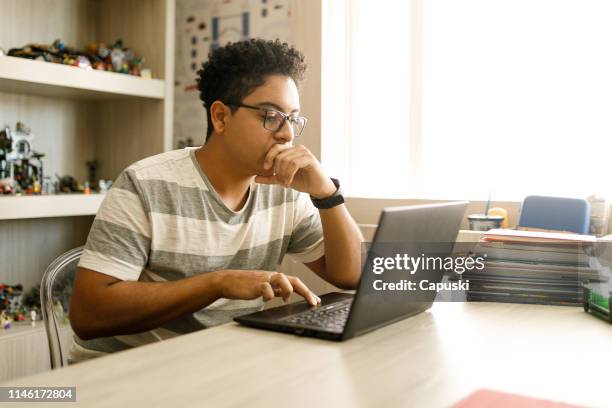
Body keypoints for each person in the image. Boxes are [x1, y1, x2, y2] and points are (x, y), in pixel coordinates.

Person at [69, 38, 363, 360]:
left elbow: (350, 274)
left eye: (292, 118)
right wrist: (218, 283)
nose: (287, 134)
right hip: (130, 372)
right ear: (221, 117)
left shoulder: (284, 192)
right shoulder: (146, 184)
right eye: (271, 116)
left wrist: (327, 195)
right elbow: (89, 315)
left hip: (222, 363)